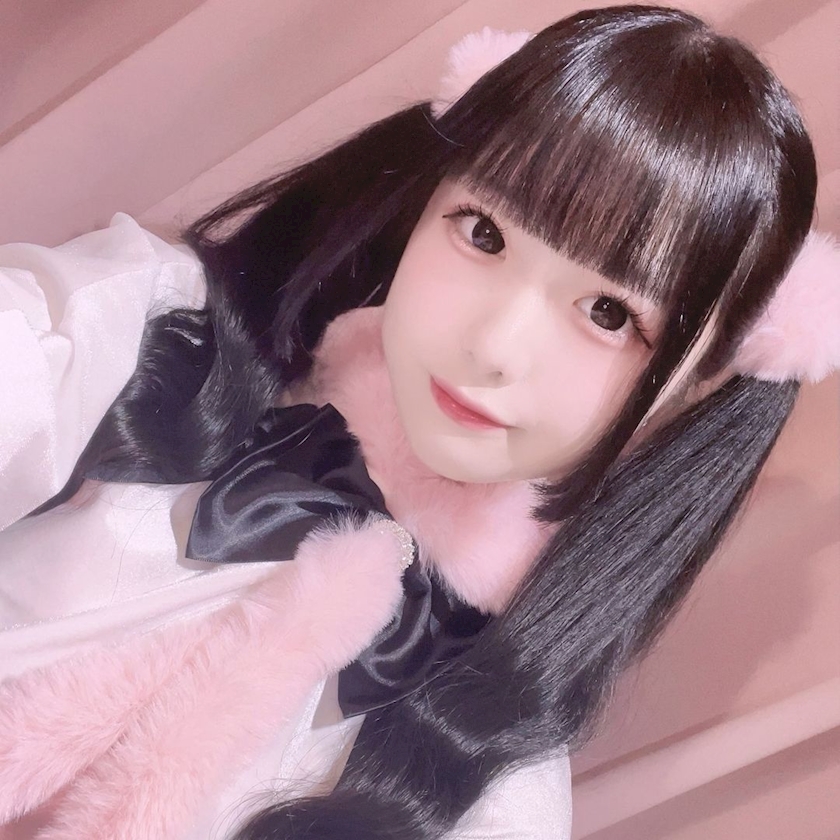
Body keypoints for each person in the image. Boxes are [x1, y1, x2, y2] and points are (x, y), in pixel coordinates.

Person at [0, 5, 836, 839]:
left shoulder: (493, 797)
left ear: (699, 378)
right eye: (484, 232)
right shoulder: (146, 331)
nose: (493, 346)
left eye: (609, 314)